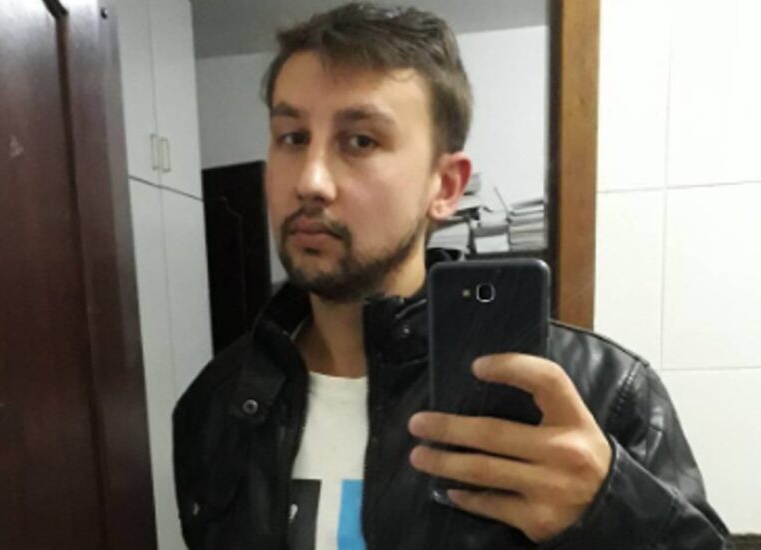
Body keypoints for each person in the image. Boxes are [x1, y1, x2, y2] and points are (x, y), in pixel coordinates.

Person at [173, 3, 731, 549]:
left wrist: (608, 515)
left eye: (360, 140)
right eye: (292, 138)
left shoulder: (601, 396)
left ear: (445, 187)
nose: (310, 181)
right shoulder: (215, 407)